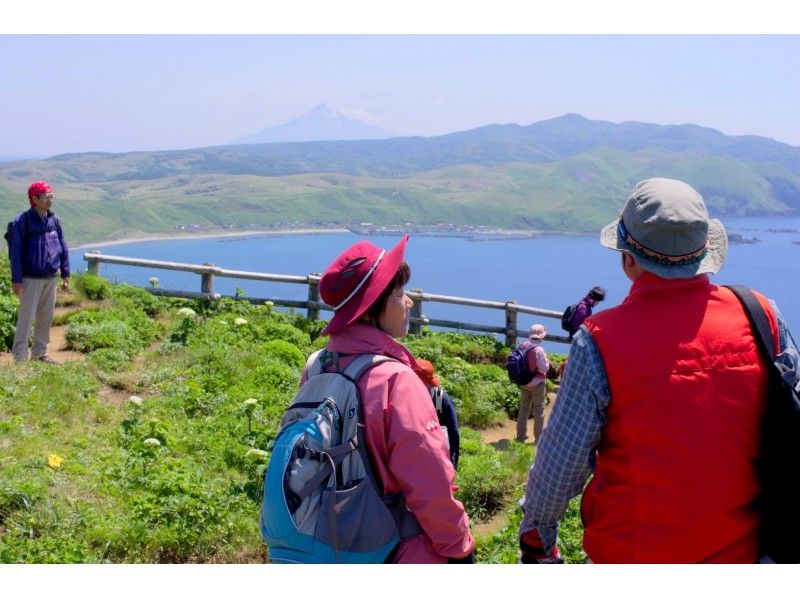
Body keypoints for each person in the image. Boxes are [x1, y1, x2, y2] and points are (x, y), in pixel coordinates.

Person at [518, 177, 800, 564]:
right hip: (749, 553)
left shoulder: (600, 340)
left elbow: (558, 469)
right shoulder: (761, 315)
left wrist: (537, 540)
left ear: (627, 258)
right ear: (704, 252)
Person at [307, 235, 475, 563]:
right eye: (399, 294)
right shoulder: (396, 380)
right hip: (392, 549)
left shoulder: (316, 365)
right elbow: (430, 484)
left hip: (325, 538)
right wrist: (459, 547)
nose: (409, 302)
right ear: (373, 307)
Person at [8, 181, 70, 363]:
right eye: (46, 197)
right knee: (26, 319)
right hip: (30, 278)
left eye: (52, 196)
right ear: (34, 199)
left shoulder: (54, 220)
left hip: (51, 276)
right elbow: (16, 251)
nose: (51, 200)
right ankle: (20, 357)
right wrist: (16, 279)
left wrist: (66, 273)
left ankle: (40, 354)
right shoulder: (22, 221)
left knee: (45, 317)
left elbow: (63, 246)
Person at [414, 358, 461, 470]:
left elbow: (453, 432)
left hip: (437, 453)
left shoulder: (441, 399)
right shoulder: (402, 398)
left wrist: (453, 465)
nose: (430, 387)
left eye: (429, 384)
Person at [514, 324, 550, 444]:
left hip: (524, 382)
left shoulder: (523, 345)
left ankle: (520, 436)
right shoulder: (539, 350)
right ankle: (538, 439)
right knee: (539, 409)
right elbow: (543, 369)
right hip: (537, 384)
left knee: (524, 408)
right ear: (541, 336)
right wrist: (548, 363)